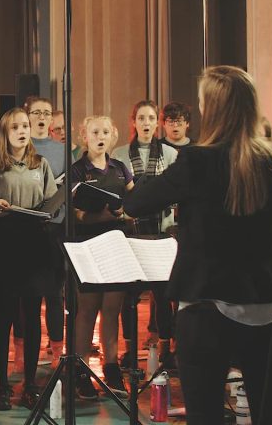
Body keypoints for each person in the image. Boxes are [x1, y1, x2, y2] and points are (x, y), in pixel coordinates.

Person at [123, 65, 272, 424]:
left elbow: (137, 204)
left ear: (212, 108)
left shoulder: (198, 161)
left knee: (205, 416)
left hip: (207, 304)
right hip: (267, 300)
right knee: (270, 415)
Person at [0, 108, 60, 410]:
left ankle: (31, 384)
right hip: (4, 241)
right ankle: (2, 385)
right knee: (5, 316)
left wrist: (51, 208)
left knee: (33, 315)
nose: (22, 130)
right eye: (16, 126)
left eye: (25, 126)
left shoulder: (41, 163)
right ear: (5, 132)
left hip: (34, 241)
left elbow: (52, 200)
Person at [68, 115, 132, 400]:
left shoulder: (120, 169)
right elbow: (76, 214)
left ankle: (111, 365)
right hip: (88, 244)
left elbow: (134, 204)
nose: (100, 136)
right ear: (85, 137)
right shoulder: (78, 170)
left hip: (116, 244)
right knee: (88, 309)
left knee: (112, 309)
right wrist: (105, 214)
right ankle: (81, 370)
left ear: (113, 136)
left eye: (106, 131)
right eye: (95, 132)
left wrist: (125, 212)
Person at [111, 100, 179, 368]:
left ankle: (165, 347)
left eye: (151, 117)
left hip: (161, 231)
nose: (146, 122)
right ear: (134, 122)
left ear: (156, 122)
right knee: (129, 295)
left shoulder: (170, 154)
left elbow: (174, 191)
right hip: (132, 230)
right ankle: (129, 349)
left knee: (163, 295)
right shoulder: (119, 154)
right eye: (141, 118)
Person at [25, 96, 67, 362]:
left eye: (46, 113)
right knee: (28, 294)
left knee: (55, 292)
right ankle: (23, 352)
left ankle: (57, 350)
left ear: (52, 119)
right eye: (37, 112)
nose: (41, 117)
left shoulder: (62, 151)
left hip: (55, 226)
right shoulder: (20, 145)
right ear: (28, 117)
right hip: (27, 226)